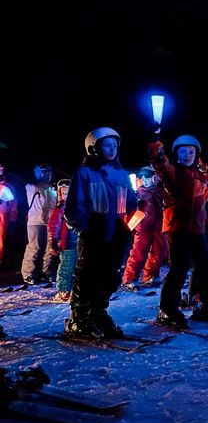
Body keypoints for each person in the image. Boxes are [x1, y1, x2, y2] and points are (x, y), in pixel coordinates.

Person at [149, 133, 208, 328]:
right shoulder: (172, 172)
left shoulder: (200, 178)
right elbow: (158, 161)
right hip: (177, 228)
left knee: (206, 267)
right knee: (179, 268)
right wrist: (155, 140)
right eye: (184, 151)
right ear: (176, 154)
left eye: (191, 152)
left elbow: (205, 207)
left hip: (198, 229)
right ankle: (167, 309)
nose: (188, 155)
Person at [64, 128, 138, 338]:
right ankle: (78, 318)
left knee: (109, 275)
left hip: (118, 230)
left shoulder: (121, 174)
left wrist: (129, 226)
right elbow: (75, 203)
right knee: (87, 275)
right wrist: (81, 224)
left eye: (115, 145)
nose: (112, 149)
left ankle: (98, 313)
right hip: (94, 228)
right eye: (107, 145)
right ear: (93, 148)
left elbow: (132, 204)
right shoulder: (84, 173)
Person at [121, 166, 166, 289]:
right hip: (142, 227)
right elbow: (129, 208)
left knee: (158, 251)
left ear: (155, 179)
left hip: (158, 226)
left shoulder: (161, 191)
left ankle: (151, 275)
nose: (146, 181)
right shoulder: (139, 193)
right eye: (143, 178)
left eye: (149, 178)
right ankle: (130, 278)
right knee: (138, 252)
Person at [21, 164, 57, 284]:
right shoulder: (32, 186)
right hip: (35, 221)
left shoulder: (52, 188)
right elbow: (31, 187)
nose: (48, 174)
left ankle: (45, 272)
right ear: (38, 173)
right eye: (45, 172)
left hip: (50, 222)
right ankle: (28, 274)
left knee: (49, 249)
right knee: (34, 247)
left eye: (49, 172)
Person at [49, 179, 77, 303]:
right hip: (67, 244)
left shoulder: (78, 206)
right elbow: (53, 225)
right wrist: (54, 241)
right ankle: (63, 291)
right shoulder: (60, 208)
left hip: (78, 242)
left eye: (68, 193)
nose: (66, 196)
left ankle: (74, 289)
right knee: (66, 266)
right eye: (64, 193)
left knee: (77, 267)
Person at [0, 161, 19, 269]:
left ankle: (4, 262)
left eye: (2, 166)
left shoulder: (8, 186)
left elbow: (13, 202)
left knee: (3, 240)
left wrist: (13, 216)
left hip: (4, 216)